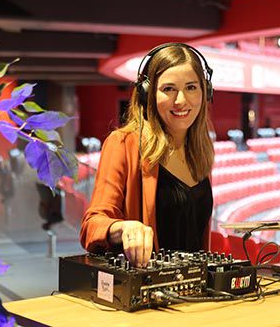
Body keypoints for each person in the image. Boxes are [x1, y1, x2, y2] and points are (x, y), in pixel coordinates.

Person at [80, 43, 215, 267]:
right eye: (168, 89)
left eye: (191, 87)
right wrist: (123, 228)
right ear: (147, 94)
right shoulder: (123, 143)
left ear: (205, 91)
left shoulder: (200, 149)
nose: (181, 100)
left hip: (197, 285)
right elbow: (91, 225)